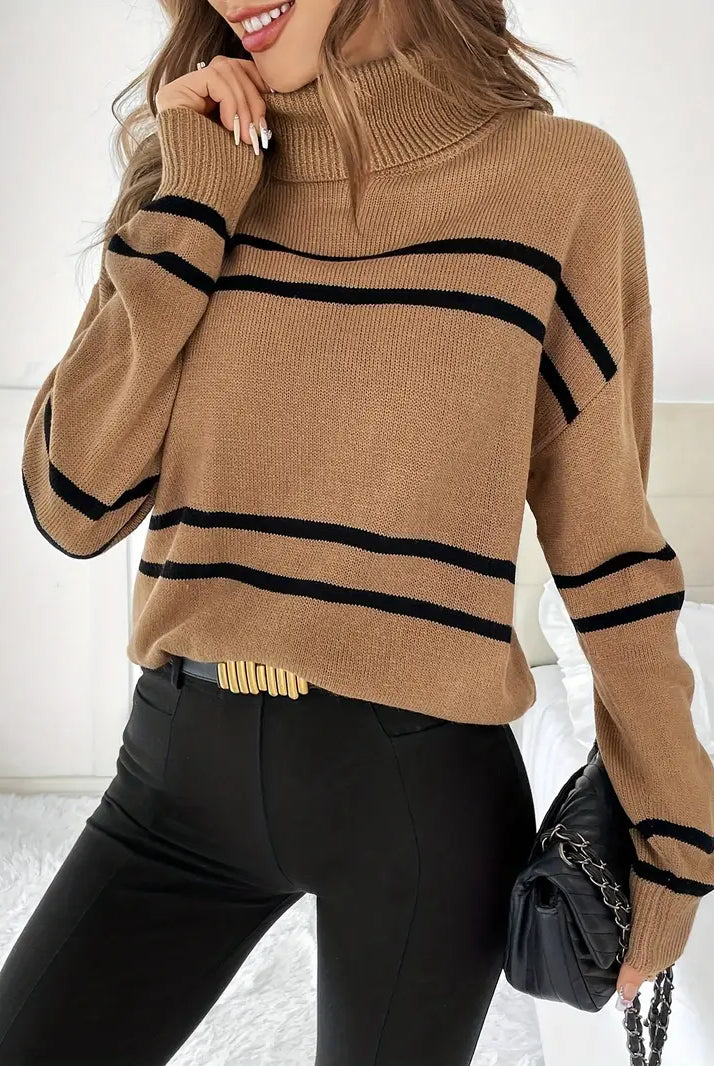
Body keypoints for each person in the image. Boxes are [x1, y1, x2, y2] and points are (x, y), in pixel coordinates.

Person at [3, 0, 713, 1062]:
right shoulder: (203, 165)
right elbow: (73, 501)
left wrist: (674, 832)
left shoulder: (560, 180)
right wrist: (188, 206)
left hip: (416, 806)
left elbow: (608, 544)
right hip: (177, 773)